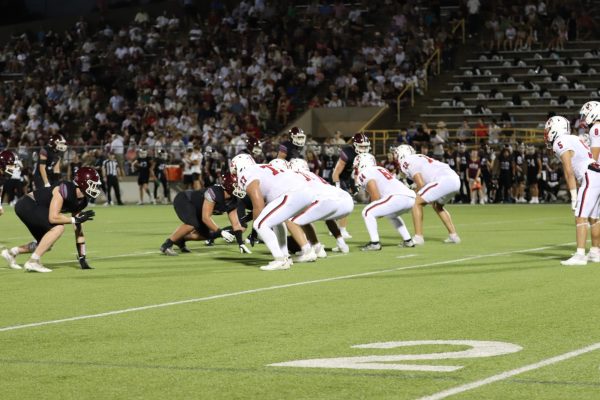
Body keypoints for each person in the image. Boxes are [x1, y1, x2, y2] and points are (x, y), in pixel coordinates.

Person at [1, 167, 100, 272]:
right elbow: (53, 218)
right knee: (58, 228)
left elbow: (78, 230)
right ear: (83, 183)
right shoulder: (65, 189)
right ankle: (33, 262)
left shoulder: (82, 201)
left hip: (34, 207)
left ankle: (11, 253)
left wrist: (82, 257)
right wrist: (74, 219)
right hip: (28, 204)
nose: (95, 188)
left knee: (46, 244)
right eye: (93, 184)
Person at [231, 153, 318, 271]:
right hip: (305, 191)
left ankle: (279, 260)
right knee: (277, 221)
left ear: (238, 166)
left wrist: (256, 230)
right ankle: (285, 256)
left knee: (260, 224)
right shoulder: (262, 167)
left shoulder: (246, 173)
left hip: (294, 193)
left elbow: (258, 204)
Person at [545, 115, 600, 266]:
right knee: (594, 217)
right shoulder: (574, 138)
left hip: (589, 176)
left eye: (549, 129)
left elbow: (568, 171)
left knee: (580, 216)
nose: (547, 132)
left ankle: (580, 255)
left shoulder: (560, 141)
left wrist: (574, 197)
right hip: (596, 173)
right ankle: (595, 252)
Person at [159, 173, 250, 256]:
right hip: (185, 200)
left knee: (207, 235)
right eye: (237, 185)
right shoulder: (214, 192)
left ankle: (180, 240)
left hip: (198, 210)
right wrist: (220, 232)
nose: (240, 188)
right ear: (229, 185)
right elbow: (206, 218)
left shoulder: (234, 200)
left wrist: (240, 244)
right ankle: (167, 245)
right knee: (191, 224)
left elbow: (236, 224)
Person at [396, 144, 461, 245]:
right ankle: (454, 236)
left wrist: (412, 194)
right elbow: (424, 182)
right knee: (437, 206)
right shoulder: (419, 158)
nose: (396, 157)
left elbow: (421, 185)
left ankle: (418, 237)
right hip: (454, 179)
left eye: (397, 154)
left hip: (444, 180)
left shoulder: (407, 160)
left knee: (415, 202)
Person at [288, 158, 352, 255]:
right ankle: (342, 244)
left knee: (294, 219)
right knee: (328, 217)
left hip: (326, 202)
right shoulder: (313, 175)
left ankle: (315, 248)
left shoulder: (295, 176)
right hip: (346, 200)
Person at [354, 153, 415, 251]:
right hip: (410, 197)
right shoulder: (380, 169)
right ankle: (408, 241)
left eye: (357, 164)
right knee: (391, 215)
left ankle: (375, 243)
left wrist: (376, 211)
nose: (356, 168)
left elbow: (375, 193)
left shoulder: (365, 172)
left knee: (367, 212)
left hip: (397, 197)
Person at [332, 133, 371, 239]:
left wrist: (356, 184)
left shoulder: (364, 155)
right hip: (338, 178)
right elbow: (336, 173)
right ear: (355, 145)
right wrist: (337, 186)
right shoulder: (347, 153)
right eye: (361, 146)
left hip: (349, 178)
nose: (364, 149)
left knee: (338, 206)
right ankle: (342, 230)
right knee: (345, 203)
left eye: (365, 146)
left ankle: (334, 228)